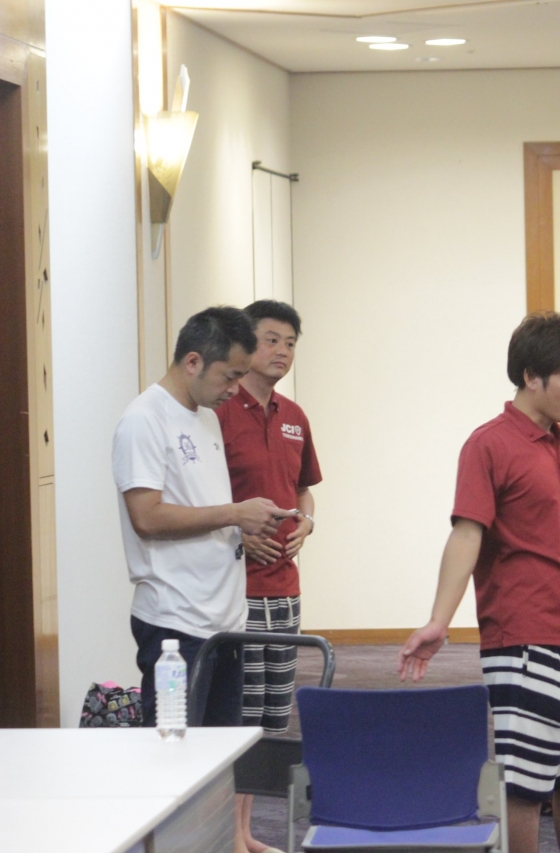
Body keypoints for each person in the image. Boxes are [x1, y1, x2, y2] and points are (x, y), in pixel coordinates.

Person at [398, 312, 560, 853]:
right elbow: (466, 534)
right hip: (523, 640)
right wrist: (438, 620)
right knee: (526, 785)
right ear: (531, 376)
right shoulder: (489, 444)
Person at [113, 306, 290, 853]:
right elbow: (147, 517)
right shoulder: (144, 420)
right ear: (193, 362)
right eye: (229, 376)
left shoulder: (207, 417)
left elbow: (202, 509)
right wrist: (234, 513)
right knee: (173, 762)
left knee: (217, 761)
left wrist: (242, 531)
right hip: (175, 626)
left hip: (223, 620)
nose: (235, 389)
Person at [217, 300, 322, 853]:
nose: (282, 351)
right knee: (238, 715)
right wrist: (237, 529)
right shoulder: (218, 410)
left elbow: (303, 489)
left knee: (270, 718)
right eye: (271, 339)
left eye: (291, 343)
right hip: (236, 589)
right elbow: (202, 498)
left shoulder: (294, 416)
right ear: (244, 344)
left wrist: (308, 520)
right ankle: (226, 834)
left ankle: (244, 831)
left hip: (285, 587)